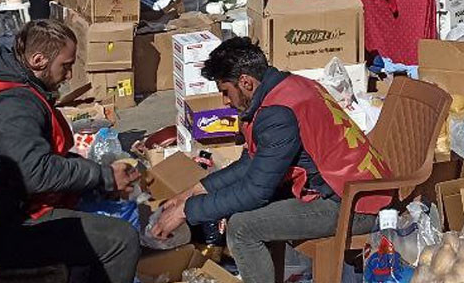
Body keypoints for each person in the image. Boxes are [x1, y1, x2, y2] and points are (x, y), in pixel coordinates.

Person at [152, 39, 389, 282]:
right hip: (354, 190)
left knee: (243, 227)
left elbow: (256, 191)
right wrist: (194, 191)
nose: (225, 101)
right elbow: (251, 163)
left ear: (245, 82)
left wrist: (186, 211)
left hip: (355, 204)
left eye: (226, 92)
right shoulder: (288, 86)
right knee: (242, 210)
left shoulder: (277, 114)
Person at [0, 20, 141, 282]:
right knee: (122, 240)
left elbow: (39, 160)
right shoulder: (13, 105)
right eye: (66, 65)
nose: (70, 75)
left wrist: (101, 176)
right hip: (4, 223)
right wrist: (103, 176)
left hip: (10, 205)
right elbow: (35, 173)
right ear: (39, 60)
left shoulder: (14, 87)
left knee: (100, 208)